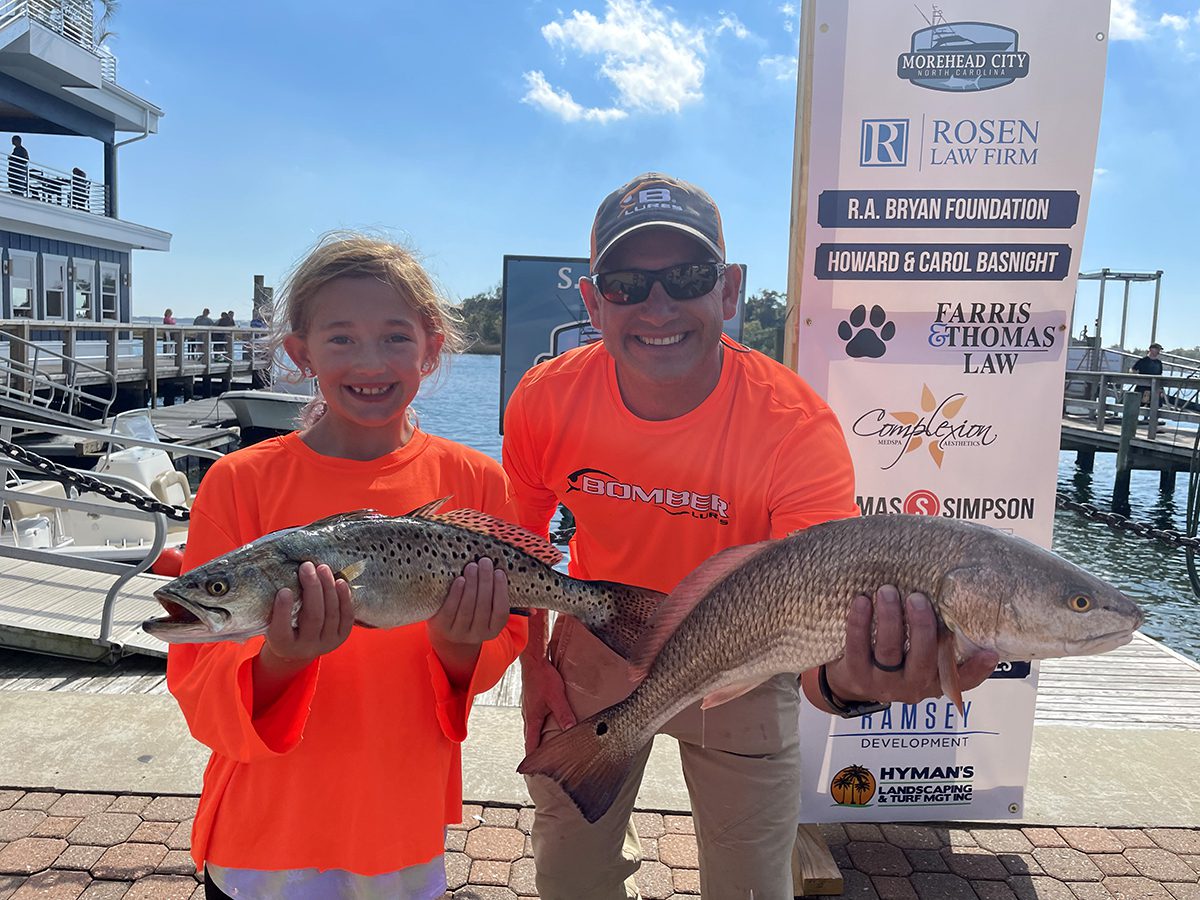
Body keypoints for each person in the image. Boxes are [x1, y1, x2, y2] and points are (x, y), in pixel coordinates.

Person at [503, 172, 998, 900]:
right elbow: (521, 546)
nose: (659, 305)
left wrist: (849, 685)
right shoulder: (546, 396)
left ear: (728, 291)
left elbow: (820, 621)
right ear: (591, 302)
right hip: (600, 639)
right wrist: (533, 666)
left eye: (689, 276)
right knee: (570, 879)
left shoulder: (795, 427)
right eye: (627, 284)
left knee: (755, 888)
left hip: (750, 652)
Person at [167, 234, 527, 900]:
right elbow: (196, 682)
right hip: (266, 830)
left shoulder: (475, 479)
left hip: (401, 819)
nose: (370, 361)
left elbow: (507, 637)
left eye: (395, 337)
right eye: (341, 339)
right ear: (299, 352)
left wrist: (458, 647)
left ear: (432, 346)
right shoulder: (237, 482)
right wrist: (280, 661)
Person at [1131, 342, 1165, 408]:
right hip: (1142, 387)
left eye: (1159, 350)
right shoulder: (1143, 360)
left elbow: (1160, 375)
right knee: (1138, 405)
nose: (1158, 351)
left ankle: (1151, 418)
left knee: (1156, 406)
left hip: (1155, 387)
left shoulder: (1159, 363)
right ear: (1151, 349)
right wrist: (1136, 377)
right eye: (1157, 349)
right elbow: (1133, 369)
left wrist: (1161, 390)